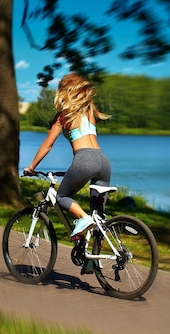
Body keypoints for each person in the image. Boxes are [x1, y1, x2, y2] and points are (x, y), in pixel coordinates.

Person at [23, 72, 111, 238]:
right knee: (98, 217)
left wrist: (32, 167)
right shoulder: (90, 112)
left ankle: (83, 219)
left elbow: (47, 145)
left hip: (85, 159)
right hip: (103, 161)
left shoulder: (63, 117)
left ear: (65, 92)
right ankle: (94, 262)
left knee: (62, 196)